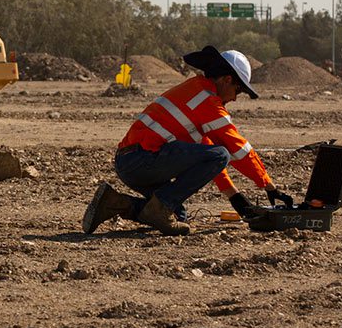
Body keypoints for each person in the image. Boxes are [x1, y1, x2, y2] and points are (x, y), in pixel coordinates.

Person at [82, 46, 293, 235]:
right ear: (227, 79)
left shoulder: (194, 90)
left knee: (178, 216)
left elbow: (205, 150)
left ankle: (113, 203)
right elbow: (237, 150)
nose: (236, 98)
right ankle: (159, 207)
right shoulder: (207, 102)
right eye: (238, 90)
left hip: (129, 162)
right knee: (221, 154)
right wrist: (270, 187)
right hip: (141, 160)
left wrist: (234, 196)